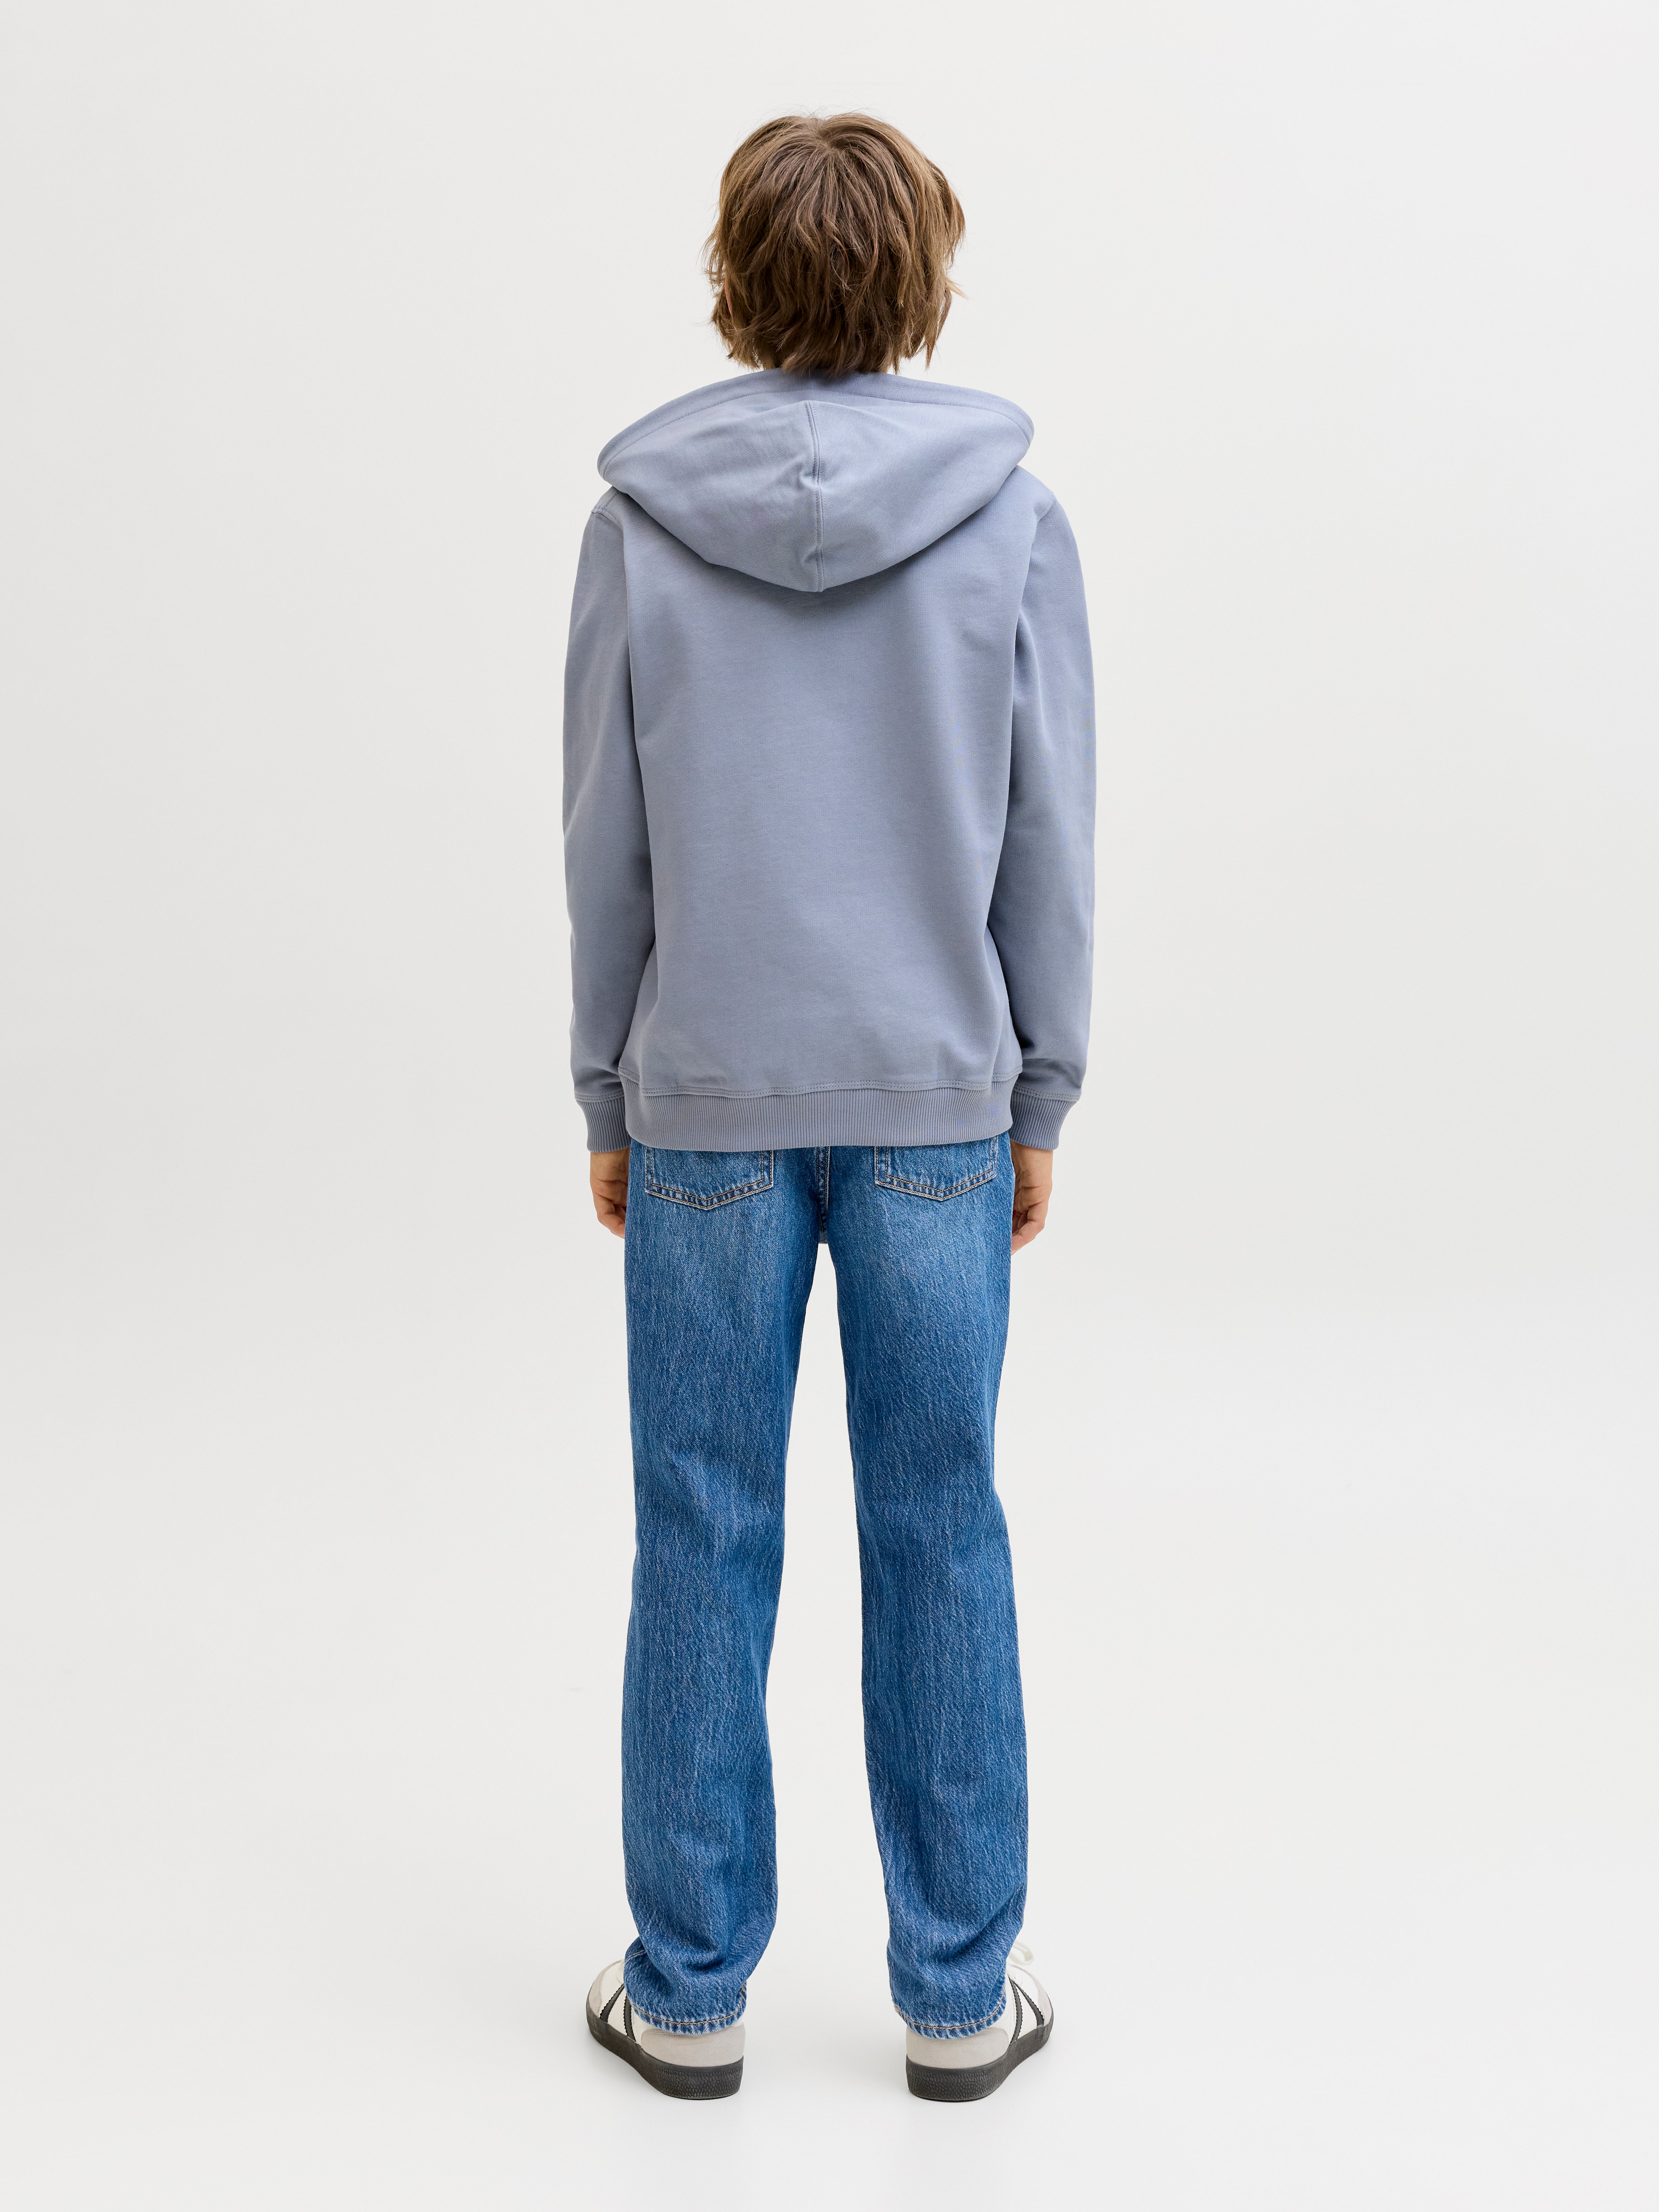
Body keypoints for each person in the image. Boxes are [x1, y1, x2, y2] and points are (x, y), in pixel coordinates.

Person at [565, 112, 1093, 2103]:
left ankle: (688, 1994)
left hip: (703, 1095)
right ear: (922, 280)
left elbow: (604, 846)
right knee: (940, 1522)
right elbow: (1050, 841)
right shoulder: (1012, 522)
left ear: (736, 276)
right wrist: (1040, 1085)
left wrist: (607, 1085)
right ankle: (958, 2002)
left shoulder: (636, 529)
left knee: (701, 1528)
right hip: (937, 1102)